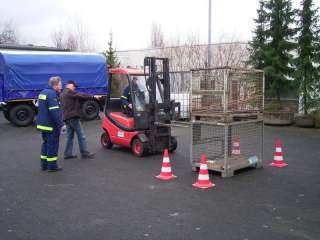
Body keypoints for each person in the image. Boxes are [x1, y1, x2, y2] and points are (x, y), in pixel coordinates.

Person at [60, 80, 101, 159]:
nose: (74, 88)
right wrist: (93, 96)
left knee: (70, 137)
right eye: (74, 86)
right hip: (73, 117)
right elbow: (81, 95)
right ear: (68, 85)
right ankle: (85, 153)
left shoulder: (63, 94)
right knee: (81, 135)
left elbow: (78, 98)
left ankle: (67, 154)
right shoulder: (69, 92)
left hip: (66, 117)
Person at [36, 76, 64, 172]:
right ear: (55, 85)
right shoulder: (52, 94)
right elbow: (54, 111)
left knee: (45, 144)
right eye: (60, 85)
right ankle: (52, 166)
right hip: (51, 125)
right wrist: (61, 124)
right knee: (52, 145)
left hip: (42, 124)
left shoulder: (43, 92)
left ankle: (44, 165)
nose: (61, 87)